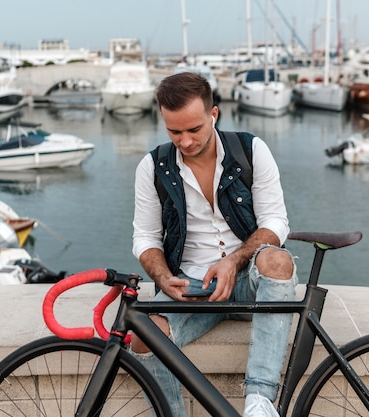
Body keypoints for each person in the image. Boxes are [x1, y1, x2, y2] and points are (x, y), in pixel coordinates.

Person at [131, 71, 298, 417]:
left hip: (248, 276)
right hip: (192, 285)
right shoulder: (152, 167)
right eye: (175, 131)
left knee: (278, 262)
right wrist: (162, 279)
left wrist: (233, 262)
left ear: (214, 114)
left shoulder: (251, 150)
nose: (186, 141)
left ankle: (259, 402)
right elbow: (145, 238)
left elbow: (276, 222)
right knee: (143, 334)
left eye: (195, 129)